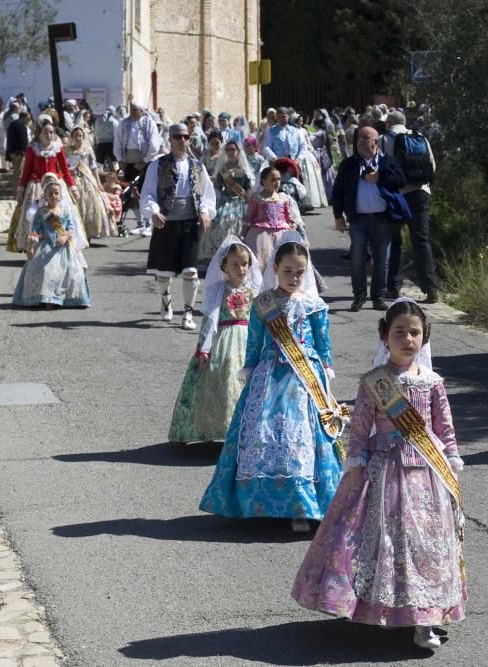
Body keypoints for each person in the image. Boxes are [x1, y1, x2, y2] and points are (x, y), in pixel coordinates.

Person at [292, 298, 466, 650]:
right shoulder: (374, 382)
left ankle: (425, 618)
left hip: (426, 475)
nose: (407, 339)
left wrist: (452, 461)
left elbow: (444, 430)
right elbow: (359, 429)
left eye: (414, 333)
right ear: (385, 336)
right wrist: (355, 463)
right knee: (386, 542)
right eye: (399, 332)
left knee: (425, 545)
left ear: (424, 337)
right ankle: (388, 608)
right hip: (384, 471)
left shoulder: (433, 382)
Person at [199, 234, 345, 532]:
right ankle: (256, 503)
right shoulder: (262, 303)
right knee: (262, 433)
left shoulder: (314, 305)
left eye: (299, 272)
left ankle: (302, 507)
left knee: (303, 439)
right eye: (288, 270)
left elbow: (322, 342)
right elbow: (254, 341)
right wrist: (250, 369)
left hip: (305, 382)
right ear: (275, 268)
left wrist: (326, 369)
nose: (294, 277)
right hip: (268, 378)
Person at [168, 237, 263, 443]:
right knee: (223, 378)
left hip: (248, 340)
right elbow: (210, 320)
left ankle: (245, 430)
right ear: (225, 267)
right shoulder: (218, 290)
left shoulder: (254, 291)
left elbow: (261, 319)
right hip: (223, 341)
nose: (241, 269)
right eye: (235, 264)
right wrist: (204, 347)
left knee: (245, 382)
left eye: (244, 264)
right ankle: (220, 428)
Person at [141, 123, 217, 331]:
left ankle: (188, 313)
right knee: (164, 272)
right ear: (170, 139)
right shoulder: (157, 165)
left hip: (190, 223)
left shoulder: (197, 166)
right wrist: (154, 211)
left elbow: (207, 194)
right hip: (166, 222)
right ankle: (166, 298)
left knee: (191, 271)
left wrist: (205, 211)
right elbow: (148, 193)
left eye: (185, 137)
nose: (182, 140)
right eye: (177, 137)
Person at [333, 126, 409, 312]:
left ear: (375, 142)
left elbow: (401, 181)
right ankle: (359, 296)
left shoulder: (387, 162)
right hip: (358, 220)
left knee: (381, 260)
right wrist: (338, 216)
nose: (360, 141)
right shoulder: (349, 164)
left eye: (365, 138)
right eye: (358, 138)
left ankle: (378, 298)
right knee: (357, 258)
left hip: (382, 219)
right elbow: (338, 191)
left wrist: (380, 177)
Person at [380, 110, 441, 302]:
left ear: (389, 123)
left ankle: (393, 288)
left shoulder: (384, 139)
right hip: (421, 192)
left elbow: (382, 165)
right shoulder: (420, 137)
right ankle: (431, 289)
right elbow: (432, 165)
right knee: (421, 240)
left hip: (397, 195)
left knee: (395, 241)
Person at [12, 174, 91, 308]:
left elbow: (70, 228)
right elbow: (35, 230)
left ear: (60, 194)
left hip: (64, 247)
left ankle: (65, 298)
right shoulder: (41, 212)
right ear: (45, 196)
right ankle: (46, 298)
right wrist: (31, 246)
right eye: (50, 194)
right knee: (43, 269)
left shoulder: (66, 211)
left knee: (72, 271)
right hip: (46, 246)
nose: (54, 196)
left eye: (56, 193)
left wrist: (65, 237)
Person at [7, 121, 79, 253]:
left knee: (58, 213)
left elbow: (65, 170)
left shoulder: (57, 147)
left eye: (52, 132)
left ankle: (59, 240)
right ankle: (34, 245)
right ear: (39, 133)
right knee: (34, 215)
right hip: (36, 187)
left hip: (54, 185)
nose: (49, 135)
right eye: (46, 132)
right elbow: (27, 171)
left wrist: (72, 187)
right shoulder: (32, 148)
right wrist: (21, 189)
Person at [199, 140, 254, 259]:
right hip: (226, 200)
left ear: (238, 152)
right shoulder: (223, 169)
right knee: (219, 221)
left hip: (241, 201)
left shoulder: (244, 169)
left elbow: (248, 188)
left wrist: (247, 197)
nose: (230, 152)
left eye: (233, 149)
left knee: (238, 222)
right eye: (228, 150)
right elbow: (218, 187)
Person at [240, 166, 302, 270]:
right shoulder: (257, 198)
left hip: (282, 234)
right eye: (273, 180)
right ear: (264, 181)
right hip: (261, 234)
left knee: (284, 261)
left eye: (278, 179)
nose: (277, 182)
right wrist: (242, 235)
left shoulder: (284, 198)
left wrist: (296, 235)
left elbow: (289, 218)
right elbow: (249, 218)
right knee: (263, 262)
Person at [66, 127, 113, 240]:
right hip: (73, 179)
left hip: (87, 179)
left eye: (80, 136)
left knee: (90, 205)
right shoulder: (67, 150)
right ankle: (75, 232)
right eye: (76, 135)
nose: (78, 138)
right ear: (72, 137)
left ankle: (88, 232)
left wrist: (98, 182)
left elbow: (93, 167)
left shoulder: (87, 149)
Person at [113, 101, 162, 183]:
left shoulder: (150, 124)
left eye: (135, 110)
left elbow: (154, 146)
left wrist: (144, 161)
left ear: (142, 111)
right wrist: (120, 160)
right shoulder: (123, 123)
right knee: (129, 188)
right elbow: (118, 142)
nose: (132, 112)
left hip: (145, 163)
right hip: (128, 163)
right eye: (131, 110)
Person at [5, 109, 31, 185]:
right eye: (28, 119)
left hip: (11, 151)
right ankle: (16, 194)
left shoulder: (12, 124)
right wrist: (24, 151)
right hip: (18, 153)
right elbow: (23, 140)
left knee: (16, 173)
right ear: (24, 117)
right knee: (19, 174)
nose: (28, 121)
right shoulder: (22, 126)